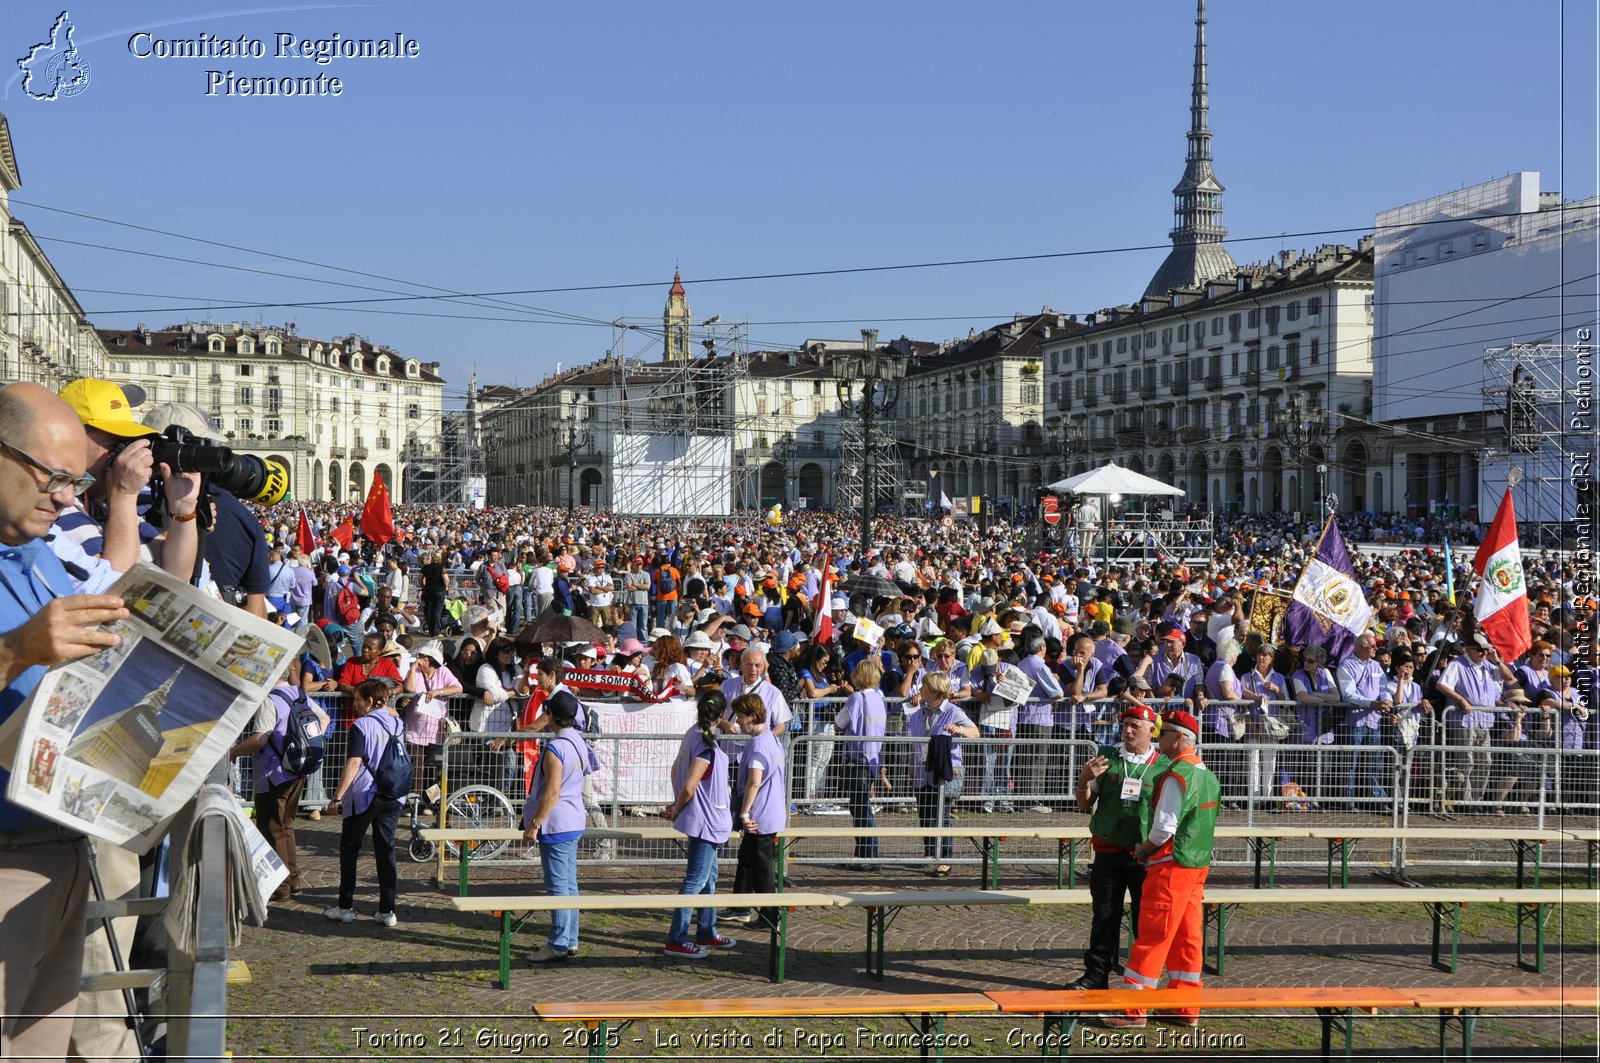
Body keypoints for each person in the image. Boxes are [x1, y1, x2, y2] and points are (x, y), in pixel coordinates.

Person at [0, 382, 131, 1061]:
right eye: (52, 476)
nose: (64, 497)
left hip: (63, 849)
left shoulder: (41, 551)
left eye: (75, 481)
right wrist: (18, 649)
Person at [1107, 708, 1219, 1029]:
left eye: (1165, 732)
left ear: (1180, 738)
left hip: (1170, 866)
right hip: (1196, 866)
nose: (1160, 737)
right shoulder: (1206, 775)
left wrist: (1144, 849)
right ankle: (1185, 1007)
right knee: (1188, 937)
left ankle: (1133, 1009)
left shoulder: (1176, 775)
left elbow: (1163, 828)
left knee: (1152, 937)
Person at [1066, 704, 1168, 991]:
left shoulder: (1163, 765)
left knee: (1143, 920)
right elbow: (1085, 804)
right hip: (1108, 850)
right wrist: (1084, 779)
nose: (1128, 729)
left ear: (1151, 730)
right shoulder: (1108, 757)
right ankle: (1096, 975)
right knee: (1105, 915)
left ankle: (1141, 980)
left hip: (1143, 855)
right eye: (1125, 724)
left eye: (1135, 725)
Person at [520, 690, 596, 962]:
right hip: (573, 819)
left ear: (551, 716)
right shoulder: (577, 739)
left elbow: (552, 793)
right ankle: (570, 939)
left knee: (558, 887)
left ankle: (559, 942)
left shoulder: (556, 748)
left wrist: (535, 824)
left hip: (558, 823)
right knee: (569, 884)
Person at [660, 690, 737, 959]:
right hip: (706, 820)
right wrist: (678, 806)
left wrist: (675, 804)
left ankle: (706, 929)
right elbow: (691, 785)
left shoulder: (693, 734)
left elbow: (675, 771)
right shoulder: (706, 745)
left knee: (708, 879)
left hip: (703, 818)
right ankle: (677, 938)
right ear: (723, 714)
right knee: (696, 880)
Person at [322, 678, 405, 927]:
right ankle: (387, 910)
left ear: (369, 701)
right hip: (393, 792)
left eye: (358, 700)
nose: (355, 705)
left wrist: (337, 797)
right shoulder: (397, 722)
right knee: (386, 849)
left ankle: (345, 906)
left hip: (364, 794)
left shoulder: (361, 725)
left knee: (350, 849)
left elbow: (354, 763)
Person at [230, 673, 313, 902]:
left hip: (272, 774)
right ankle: (293, 879)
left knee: (273, 829)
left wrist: (233, 752)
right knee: (286, 827)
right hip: (297, 770)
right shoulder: (299, 694)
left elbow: (259, 739)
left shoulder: (269, 700)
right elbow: (322, 721)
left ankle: (280, 887)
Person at [724, 692, 787, 927]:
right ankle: (743, 907)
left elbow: (754, 782)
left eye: (740, 716)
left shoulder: (759, 745)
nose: (737, 721)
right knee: (749, 860)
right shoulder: (771, 739)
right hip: (769, 812)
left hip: (760, 815)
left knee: (761, 867)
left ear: (752, 716)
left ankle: (771, 916)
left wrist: (744, 812)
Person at [906, 672, 978, 876]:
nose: (920, 690)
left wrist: (959, 730)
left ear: (935, 690)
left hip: (946, 770)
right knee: (925, 813)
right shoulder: (920, 714)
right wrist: (911, 767)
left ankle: (945, 858)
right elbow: (914, 744)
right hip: (923, 769)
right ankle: (930, 851)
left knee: (942, 815)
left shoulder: (953, 711)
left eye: (924, 687)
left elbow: (975, 733)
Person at [834, 656, 889, 869]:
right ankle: (863, 855)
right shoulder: (878, 698)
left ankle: (869, 856)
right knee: (861, 807)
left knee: (860, 809)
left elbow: (839, 724)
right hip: (873, 758)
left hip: (859, 760)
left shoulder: (857, 698)